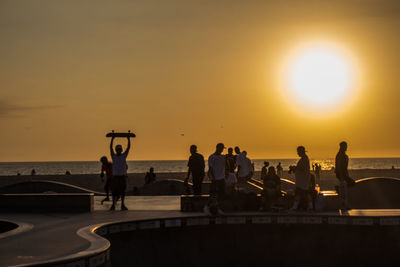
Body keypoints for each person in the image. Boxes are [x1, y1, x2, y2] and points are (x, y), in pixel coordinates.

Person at [109, 136, 130, 211]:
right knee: (114, 192)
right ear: (116, 150)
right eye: (117, 149)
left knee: (122, 191)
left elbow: (128, 148)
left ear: (121, 150)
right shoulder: (114, 156)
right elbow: (110, 148)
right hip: (115, 177)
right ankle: (113, 205)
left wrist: (128, 139)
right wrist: (112, 139)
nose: (119, 150)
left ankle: (122, 204)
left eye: (119, 149)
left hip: (122, 176)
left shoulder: (124, 156)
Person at [204, 143, 226, 215]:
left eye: (223, 148)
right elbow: (210, 169)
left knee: (221, 195)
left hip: (222, 179)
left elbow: (227, 166)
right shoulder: (212, 157)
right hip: (215, 179)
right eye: (222, 148)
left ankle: (217, 208)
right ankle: (206, 207)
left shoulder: (223, 157)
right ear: (217, 148)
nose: (222, 150)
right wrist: (213, 178)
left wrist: (226, 176)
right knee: (213, 195)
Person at [290, 146, 313, 212]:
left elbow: (302, 169)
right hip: (303, 180)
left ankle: (295, 208)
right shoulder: (304, 158)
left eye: (298, 152)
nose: (297, 153)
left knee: (299, 193)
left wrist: (294, 168)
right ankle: (310, 207)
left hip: (302, 181)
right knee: (304, 193)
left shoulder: (304, 159)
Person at [335, 141, 353, 211]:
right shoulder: (340, 155)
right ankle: (344, 206)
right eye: (345, 146)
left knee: (345, 189)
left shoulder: (343, 154)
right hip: (341, 174)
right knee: (344, 191)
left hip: (344, 174)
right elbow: (339, 166)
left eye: (346, 146)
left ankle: (345, 205)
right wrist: (341, 176)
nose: (346, 148)